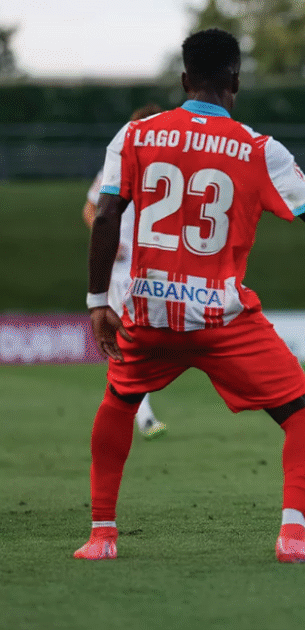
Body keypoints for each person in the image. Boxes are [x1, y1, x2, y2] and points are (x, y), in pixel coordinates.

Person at [74, 28, 305, 563]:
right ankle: (292, 536)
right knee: (302, 414)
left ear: (184, 78)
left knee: (118, 403)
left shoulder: (135, 135)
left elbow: (107, 213)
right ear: (235, 80)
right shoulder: (259, 149)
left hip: (150, 312)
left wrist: (99, 301)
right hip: (222, 319)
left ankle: (101, 536)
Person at [83, 104, 167, 440]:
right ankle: (143, 416)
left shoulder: (169, 168)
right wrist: (108, 239)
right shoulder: (114, 167)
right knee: (130, 343)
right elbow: (91, 209)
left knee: (150, 344)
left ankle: (131, 408)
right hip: (123, 272)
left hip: (157, 271)